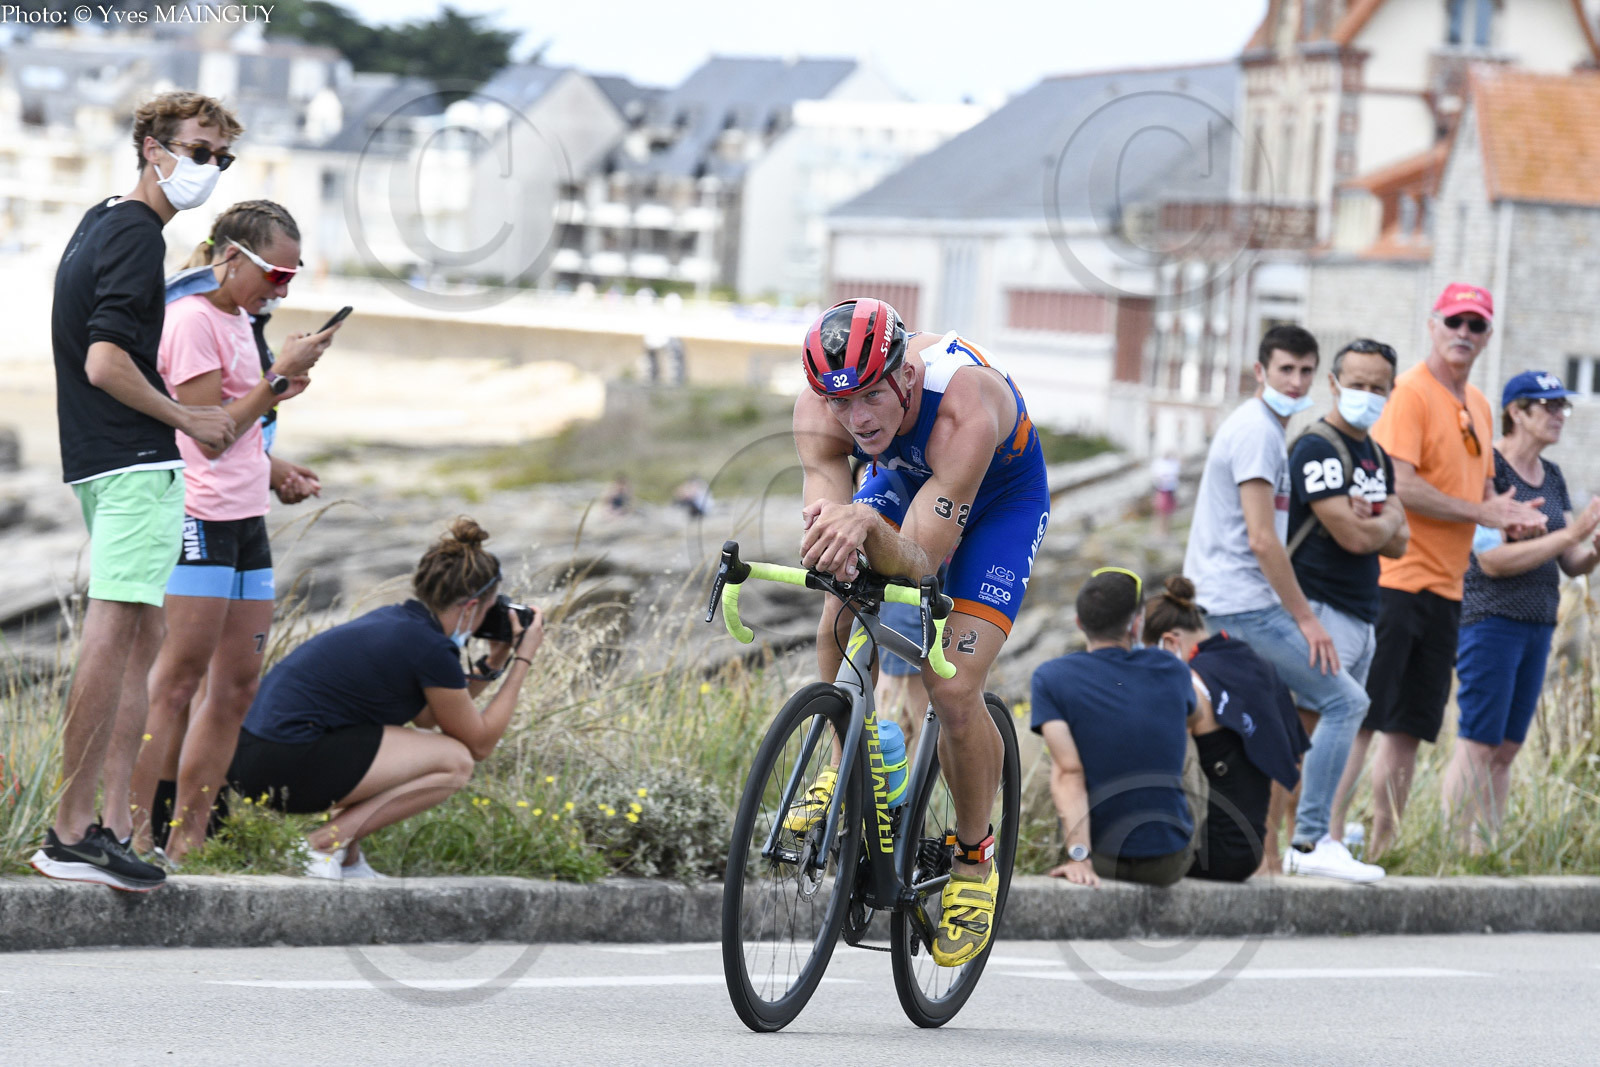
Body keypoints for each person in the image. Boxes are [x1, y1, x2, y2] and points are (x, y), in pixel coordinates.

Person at [792, 298, 1050, 964]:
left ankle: (973, 859)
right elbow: (826, 509)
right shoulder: (821, 406)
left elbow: (918, 564)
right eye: (841, 402)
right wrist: (838, 537)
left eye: (872, 396)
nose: (858, 417)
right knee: (838, 608)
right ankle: (843, 760)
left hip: (998, 502)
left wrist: (866, 528)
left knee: (953, 686)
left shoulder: (965, 406)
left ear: (906, 373)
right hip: (910, 481)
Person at [31, 91, 242, 893]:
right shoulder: (134, 235)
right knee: (115, 638)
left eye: (221, 158)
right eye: (198, 151)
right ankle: (70, 831)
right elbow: (105, 361)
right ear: (153, 148)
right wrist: (188, 417)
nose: (210, 168)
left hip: (100, 460)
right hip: (133, 464)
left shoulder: (103, 220)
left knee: (139, 642)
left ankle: (112, 826)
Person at [136, 201, 340, 865]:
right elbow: (207, 432)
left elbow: (238, 421)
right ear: (231, 257)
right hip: (199, 516)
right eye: (275, 275)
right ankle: (133, 832)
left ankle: (191, 840)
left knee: (237, 687)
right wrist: (276, 379)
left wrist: (276, 468)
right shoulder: (192, 319)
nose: (282, 290)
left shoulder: (242, 321)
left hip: (246, 517)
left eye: (292, 277)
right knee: (177, 683)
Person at [1331, 285, 1547, 859]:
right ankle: (1322, 838)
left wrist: (1513, 519)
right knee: (1363, 718)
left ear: (1488, 335)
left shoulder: (1477, 403)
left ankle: (1385, 850)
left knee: (1410, 728)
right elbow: (1401, 483)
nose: (1464, 334)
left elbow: (1481, 493)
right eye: (1455, 321)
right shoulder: (1409, 393)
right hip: (1396, 581)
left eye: (1476, 325)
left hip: (1449, 588)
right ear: (1433, 325)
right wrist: (1481, 511)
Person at [227, 518, 544, 878]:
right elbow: (480, 744)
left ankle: (347, 859)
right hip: (280, 764)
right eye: (488, 611)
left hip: (252, 760)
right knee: (455, 762)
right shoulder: (429, 648)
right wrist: (523, 659)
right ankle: (321, 845)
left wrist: (493, 662)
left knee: (386, 737)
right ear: (470, 607)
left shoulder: (402, 624)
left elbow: (429, 717)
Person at [1182, 324, 1384, 882]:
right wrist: (1306, 619)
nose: (1295, 382)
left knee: (1277, 723)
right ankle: (1312, 841)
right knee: (1344, 701)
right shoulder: (1258, 432)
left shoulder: (1266, 429)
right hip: (1239, 604)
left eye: (1304, 371)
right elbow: (1261, 540)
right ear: (1260, 372)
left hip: (1235, 598)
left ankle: (1268, 856)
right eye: (1284, 370)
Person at [1443, 371, 1600, 847]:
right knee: (1478, 740)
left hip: (1538, 622)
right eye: (1548, 406)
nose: (1559, 416)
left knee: (1508, 747)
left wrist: (1592, 549)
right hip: (1491, 620)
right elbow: (1491, 561)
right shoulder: (1488, 468)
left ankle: (1486, 848)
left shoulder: (1551, 475)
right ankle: (1454, 846)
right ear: (1516, 411)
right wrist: (1571, 534)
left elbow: (1571, 560)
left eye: (1562, 407)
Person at [1278, 339, 1409, 876]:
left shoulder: (1375, 453)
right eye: (1357, 384)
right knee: (1310, 725)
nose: (1367, 395)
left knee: (1326, 729)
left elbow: (1400, 543)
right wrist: (1385, 519)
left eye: (1378, 387)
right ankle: (1304, 843)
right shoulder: (1318, 448)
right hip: (1320, 606)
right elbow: (1355, 536)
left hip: (1362, 610)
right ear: (1334, 384)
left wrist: (1378, 521)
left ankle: (1311, 842)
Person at [1031, 568, 1203, 888]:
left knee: (1062, 762)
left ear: (1079, 622)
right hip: (1168, 862)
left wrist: (1080, 856)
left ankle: (1074, 851)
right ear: (1136, 625)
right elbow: (1196, 718)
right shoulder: (1172, 668)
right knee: (1187, 737)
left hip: (1099, 860)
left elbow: (1069, 774)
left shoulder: (1050, 677)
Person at [1141, 576, 1311, 882]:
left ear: (1170, 642)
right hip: (1249, 852)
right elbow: (1286, 761)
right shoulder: (1258, 665)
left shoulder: (1191, 684)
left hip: (1208, 851)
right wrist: (1269, 851)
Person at [1152, 451, 1181, 539]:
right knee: (1160, 511)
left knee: (1169, 511)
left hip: (1170, 489)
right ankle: (1159, 531)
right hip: (1161, 489)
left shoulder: (1173, 463)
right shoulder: (1159, 463)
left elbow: (1176, 474)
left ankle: (1166, 531)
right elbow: (1157, 476)